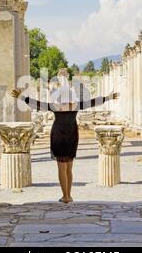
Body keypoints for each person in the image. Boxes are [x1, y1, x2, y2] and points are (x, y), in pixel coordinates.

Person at [10, 75, 119, 203]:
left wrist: (20, 96)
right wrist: (109, 97)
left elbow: (37, 104)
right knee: (69, 167)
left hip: (58, 135)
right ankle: (69, 195)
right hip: (72, 135)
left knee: (61, 167)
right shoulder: (76, 106)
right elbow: (94, 102)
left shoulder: (55, 106)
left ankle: (65, 196)